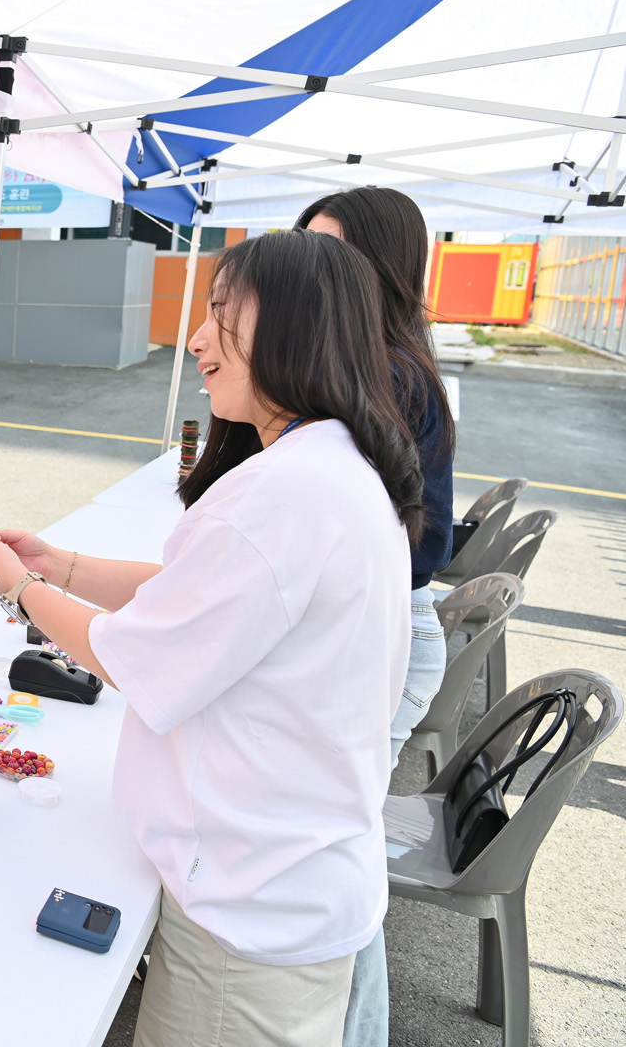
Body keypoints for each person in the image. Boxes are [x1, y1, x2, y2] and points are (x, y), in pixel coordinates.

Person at [0, 230, 421, 1047]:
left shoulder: (281, 492)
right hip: (285, 873)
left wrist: (17, 589)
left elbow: (138, 656)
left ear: (292, 325)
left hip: (251, 905)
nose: (198, 340)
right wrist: (58, 565)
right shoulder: (326, 469)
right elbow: (191, 598)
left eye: (221, 313)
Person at [298, 188, 456, 1046]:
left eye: (333, 255)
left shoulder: (384, 374)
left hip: (385, 640)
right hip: (381, 635)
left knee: (335, 854)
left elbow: (418, 547)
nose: (310, 274)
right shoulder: (377, 363)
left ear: (380, 271)